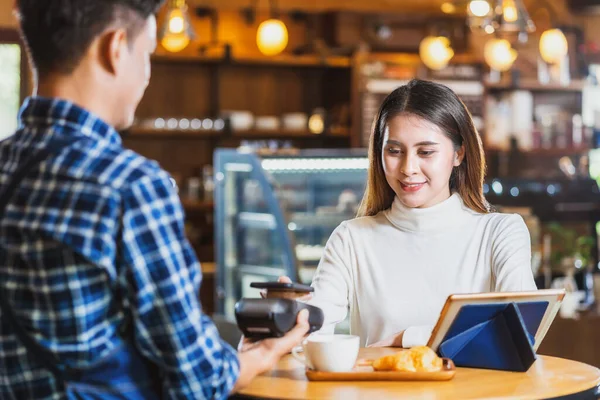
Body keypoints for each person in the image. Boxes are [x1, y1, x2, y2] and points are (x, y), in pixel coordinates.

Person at [0, 1, 307, 399]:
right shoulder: (129, 185)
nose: (147, 75)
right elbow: (200, 381)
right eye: (147, 53)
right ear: (115, 48)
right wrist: (265, 352)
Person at [280, 79, 537, 349]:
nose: (408, 168)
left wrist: (410, 338)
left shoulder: (500, 232)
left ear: (459, 154)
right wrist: (288, 319)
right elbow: (310, 337)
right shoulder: (351, 239)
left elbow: (521, 332)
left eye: (425, 152)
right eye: (394, 151)